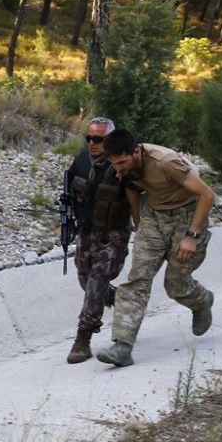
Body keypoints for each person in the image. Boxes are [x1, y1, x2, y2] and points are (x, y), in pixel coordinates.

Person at [96, 130, 216, 368]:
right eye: (114, 164)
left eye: (122, 162)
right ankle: (122, 346)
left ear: (137, 152)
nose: (118, 168)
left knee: (175, 285)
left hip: (188, 216)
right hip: (154, 217)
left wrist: (191, 236)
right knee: (136, 279)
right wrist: (141, 228)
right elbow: (132, 190)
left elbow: (207, 195)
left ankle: (202, 301)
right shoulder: (125, 168)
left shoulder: (166, 162)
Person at [65, 117, 141, 363]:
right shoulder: (82, 161)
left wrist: (143, 231)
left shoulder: (121, 165)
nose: (92, 143)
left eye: (98, 139)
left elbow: (135, 203)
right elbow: (71, 193)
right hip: (88, 232)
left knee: (98, 278)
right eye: (88, 138)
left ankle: (83, 339)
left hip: (115, 235)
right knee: (86, 280)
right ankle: (124, 302)